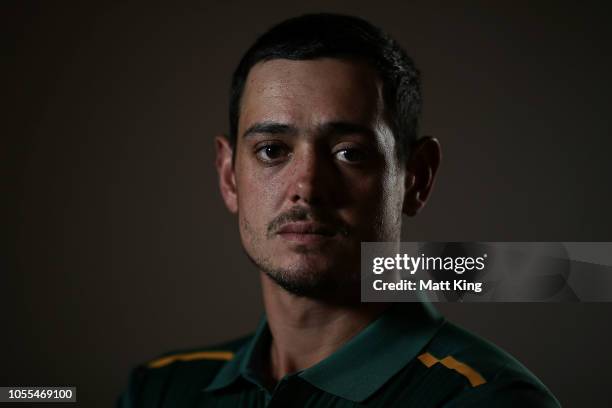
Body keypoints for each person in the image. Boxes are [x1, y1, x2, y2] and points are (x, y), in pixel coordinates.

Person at [118, 13, 560, 407]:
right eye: (272, 150)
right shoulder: (160, 390)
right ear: (229, 175)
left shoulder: (487, 400)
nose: (307, 188)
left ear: (417, 178)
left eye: (349, 153)